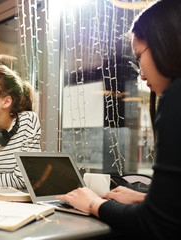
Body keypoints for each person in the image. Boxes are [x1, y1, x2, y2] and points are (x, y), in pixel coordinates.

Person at [57, 0, 181, 239]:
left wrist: (94, 204)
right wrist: (146, 198)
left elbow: (158, 224)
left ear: (165, 44)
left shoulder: (176, 96)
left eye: (138, 56)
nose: (141, 74)